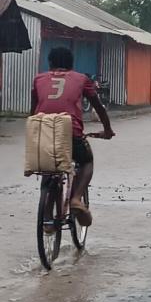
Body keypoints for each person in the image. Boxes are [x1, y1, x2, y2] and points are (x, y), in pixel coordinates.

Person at [31, 47, 115, 227]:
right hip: (71, 132)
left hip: (42, 131)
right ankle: (76, 199)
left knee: (49, 169)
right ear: (71, 65)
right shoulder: (81, 79)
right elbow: (99, 107)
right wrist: (107, 130)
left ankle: (46, 218)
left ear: (50, 63)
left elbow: (33, 112)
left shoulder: (38, 79)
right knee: (86, 161)